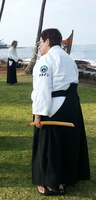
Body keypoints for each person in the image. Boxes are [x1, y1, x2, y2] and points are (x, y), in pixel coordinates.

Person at [31, 28, 90, 196]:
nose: (39, 46)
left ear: (48, 41)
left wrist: (38, 114)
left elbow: (42, 88)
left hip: (54, 105)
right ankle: (66, 178)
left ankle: (52, 184)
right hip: (71, 106)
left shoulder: (46, 60)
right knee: (67, 141)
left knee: (52, 144)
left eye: (41, 42)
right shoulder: (68, 58)